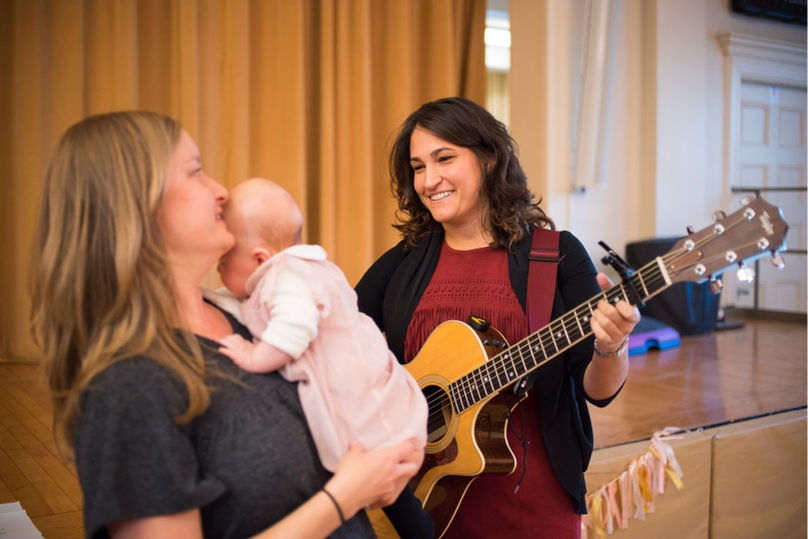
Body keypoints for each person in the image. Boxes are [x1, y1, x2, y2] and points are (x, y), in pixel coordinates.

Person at [30, 111, 422, 539]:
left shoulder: (248, 315)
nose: (220, 191)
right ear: (137, 205)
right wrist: (344, 497)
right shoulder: (129, 385)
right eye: (196, 172)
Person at [355, 97, 640, 538]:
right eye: (417, 167)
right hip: (422, 502)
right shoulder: (404, 262)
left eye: (444, 158)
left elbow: (598, 391)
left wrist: (611, 345)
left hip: (532, 503)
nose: (429, 180)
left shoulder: (557, 255)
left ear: (489, 158)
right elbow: (341, 347)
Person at [210, 177, 432, 538]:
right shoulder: (288, 273)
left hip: (363, 402)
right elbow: (237, 300)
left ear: (260, 258)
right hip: (373, 417)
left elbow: (294, 327)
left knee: (381, 466)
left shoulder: (288, 276)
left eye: (222, 262)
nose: (219, 270)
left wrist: (254, 356)